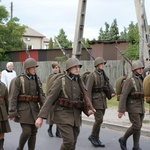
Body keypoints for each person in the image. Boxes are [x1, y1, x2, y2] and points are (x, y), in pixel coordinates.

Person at [35, 57, 95, 150]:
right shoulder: (61, 81)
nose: (77, 68)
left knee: (73, 143)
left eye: (78, 66)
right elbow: (50, 99)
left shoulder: (79, 82)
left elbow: (80, 101)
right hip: (62, 115)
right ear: (69, 68)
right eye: (74, 66)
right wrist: (40, 117)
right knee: (68, 141)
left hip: (75, 117)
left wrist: (88, 110)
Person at [8, 58, 45, 150]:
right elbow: (13, 97)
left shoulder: (37, 79)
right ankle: (20, 148)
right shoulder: (19, 80)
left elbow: (42, 94)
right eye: (32, 67)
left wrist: (44, 109)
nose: (34, 69)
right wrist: (12, 112)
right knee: (26, 131)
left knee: (34, 132)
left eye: (35, 67)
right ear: (27, 68)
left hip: (34, 109)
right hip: (23, 109)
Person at [86, 57, 115, 147]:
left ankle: (97, 138)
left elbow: (106, 86)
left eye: (103, 64)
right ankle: (92, 136)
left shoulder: (102, 74)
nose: (103, 65)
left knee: (99, 121)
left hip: (102, 100)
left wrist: (111, 93)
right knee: (99, 119)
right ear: (97, 65)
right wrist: (89, 105)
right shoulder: (92, 75)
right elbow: (88, 90)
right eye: (101, 64)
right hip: (95, 101)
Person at [118, 60, 145, 150]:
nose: (141, 70)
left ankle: (136, 146)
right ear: (134, 70)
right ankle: (123, 139)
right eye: (139, 68)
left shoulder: (140, 79)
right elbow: (123, 95)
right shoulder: (130, 80)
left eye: (141, 68)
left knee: (139, 127)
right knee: (136, 125)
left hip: (141, 107)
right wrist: (121, 110)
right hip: (133, 107)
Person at [46, 62, 61, 138]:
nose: (56, 69)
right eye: (55, 68)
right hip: (53, 98)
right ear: (52, 69)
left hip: (60, 98)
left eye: (57, 67)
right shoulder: (50, 76)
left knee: (59, 116)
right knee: (52, 115)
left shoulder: (61, 76)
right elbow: (48, 87)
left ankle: (58, 132)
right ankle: (50, 129)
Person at [0, 72, 11, 150]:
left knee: (2, 130)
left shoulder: (3, 86)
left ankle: (1, 146)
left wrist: (8, 112)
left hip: (2, 111)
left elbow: (7, 100)